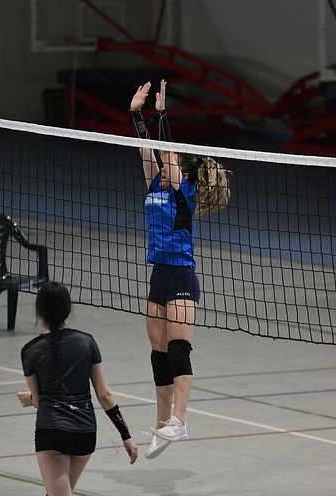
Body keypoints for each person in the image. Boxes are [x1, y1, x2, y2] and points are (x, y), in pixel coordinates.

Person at [128, 80, 230, 459]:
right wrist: (136, 114)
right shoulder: (154, 182)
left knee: (178, 351)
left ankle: (181, 420)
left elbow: (167, 151)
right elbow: (145, 148)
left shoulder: (182, 194)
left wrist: (163, 113)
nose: (166, 167)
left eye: (172, 166)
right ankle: (161, 425)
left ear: (183, 174)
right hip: (158, 275)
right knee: (157, 355)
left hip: (183, 277)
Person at [17, 282, 137, 496]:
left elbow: (38, 401)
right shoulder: (87, 342)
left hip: (52, 432)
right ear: (67, 309)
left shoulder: (30, 350)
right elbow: (104, 394)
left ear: (39, 311)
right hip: (84, 433)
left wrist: (31, 399)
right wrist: (125, 435)